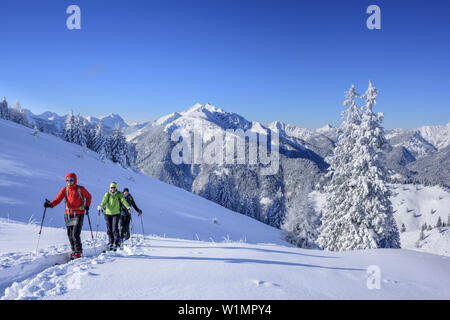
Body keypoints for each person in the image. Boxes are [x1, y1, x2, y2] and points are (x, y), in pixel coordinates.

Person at [44, 173, 92, 260]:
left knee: (75, 233)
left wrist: (87, 205)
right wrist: (50, 204)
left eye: (71, 180)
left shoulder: (80, 189)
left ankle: (78, 252)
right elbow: (58, 199)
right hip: (68, 214)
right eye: (67, 180)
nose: (69, 182)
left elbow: (89, 197)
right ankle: (74, 251)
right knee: (70, 234)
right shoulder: (65, 190)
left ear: (75, 180)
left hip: (79, 213)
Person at [98, 182, 131, 251]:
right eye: (111, 188)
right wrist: (101, 206)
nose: (112, 189)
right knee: (109, 228)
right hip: (107, 213)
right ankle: (111, 242)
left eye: (114, 188)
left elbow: (123, 200)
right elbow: (104, 201)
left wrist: (128, 206)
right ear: (110, 188)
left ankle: (116, 242)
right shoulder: (107, 194)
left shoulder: (119, 194)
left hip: (116, 213)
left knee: (114, 228)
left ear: (116, 188)